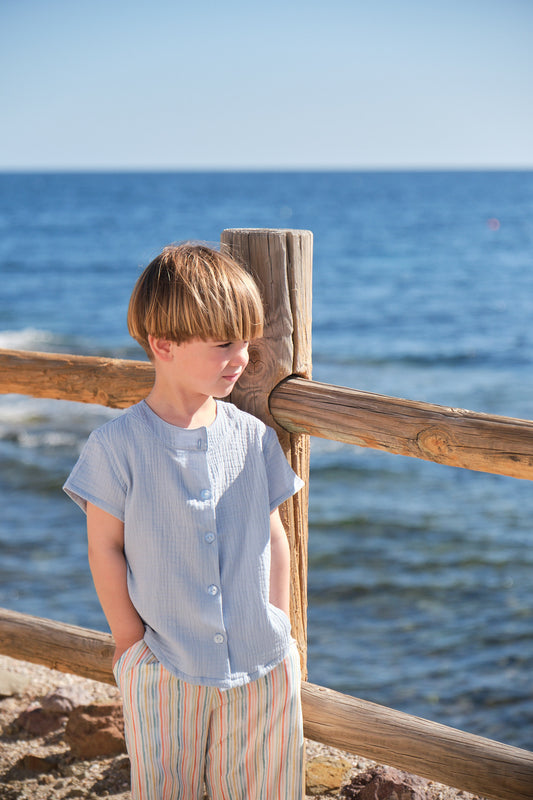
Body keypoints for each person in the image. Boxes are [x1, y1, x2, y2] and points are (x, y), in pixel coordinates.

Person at [63, 243, 305, 800]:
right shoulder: (116, 446)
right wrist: (131, 646)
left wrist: (277, 623)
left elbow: (274, 533)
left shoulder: (252, 437)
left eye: (246, 341)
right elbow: (105, 549)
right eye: (224, 343)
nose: (241, 358)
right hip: (164, 664)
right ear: (163, 344)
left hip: (261, 664)